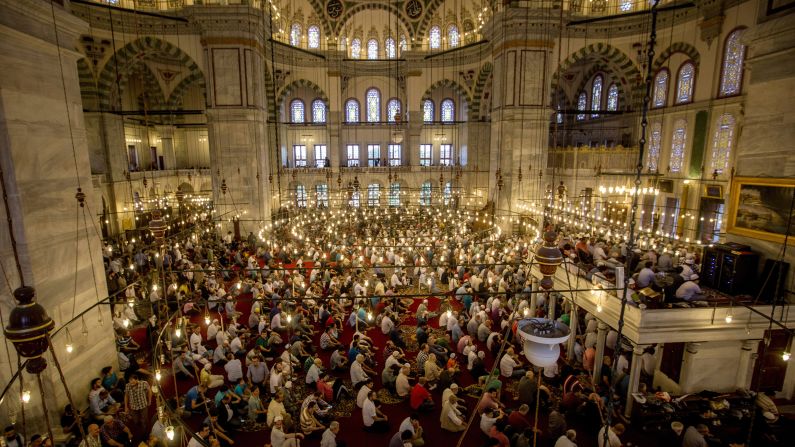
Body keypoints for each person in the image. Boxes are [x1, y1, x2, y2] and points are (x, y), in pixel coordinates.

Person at [123, 373, 152, 440]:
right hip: (133, 407)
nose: (131, 383)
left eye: (132, 381)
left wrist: (149, 400)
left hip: (143, 405)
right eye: (130, 381)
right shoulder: (127, 385)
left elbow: (149, 391)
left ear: (137, 380)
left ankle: (145, 434)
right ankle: (140, 427)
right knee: (135, 421)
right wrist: (126, 406)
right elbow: (126, 396)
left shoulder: (144, 383)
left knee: (144, 420)